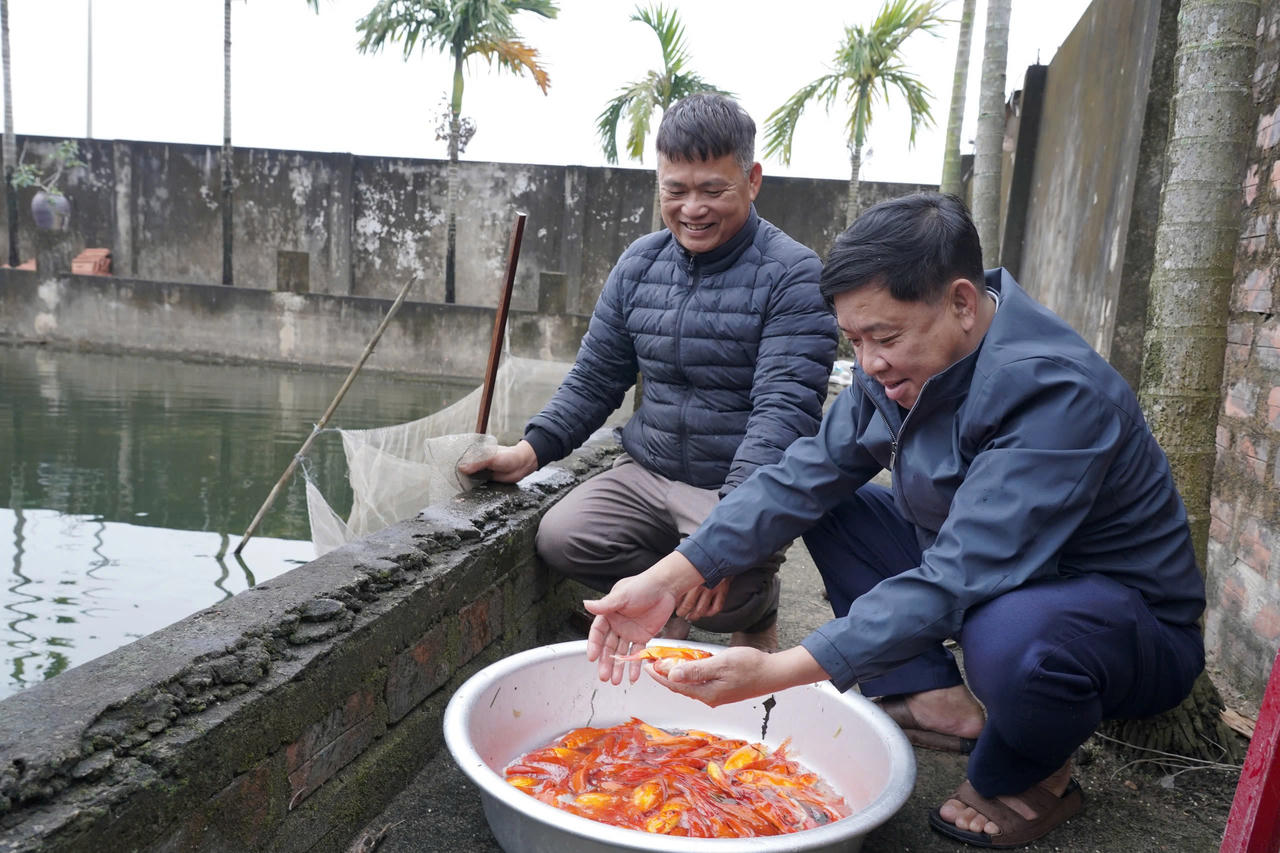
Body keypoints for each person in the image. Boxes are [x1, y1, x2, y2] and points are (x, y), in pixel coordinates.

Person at [583, 192, 1206, 848]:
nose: (870, 363)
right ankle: (928, 693)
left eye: (884, 337)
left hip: (1118, 623)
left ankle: (1034, 774)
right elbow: (801, 476)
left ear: (962, 303)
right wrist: (671, 574)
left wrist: (779, 670)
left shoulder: (1054, 391)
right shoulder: (891, 373)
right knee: (831, 504)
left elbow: (960, 574)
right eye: (855, 340)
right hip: (987, 571)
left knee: (1015, 636)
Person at [459, 93, 838, 651]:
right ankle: (666, 592)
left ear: (752, 180)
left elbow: (782, 418)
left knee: (722, 596)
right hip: (650, 468)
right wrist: (529, 451)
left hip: (730, 484)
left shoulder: (793, 274)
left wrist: (723, 543)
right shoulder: (640, 264)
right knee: (561, 539)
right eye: (675, 190)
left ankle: (757, 604)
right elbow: (595, 378)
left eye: (713, 190)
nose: (693, 208)